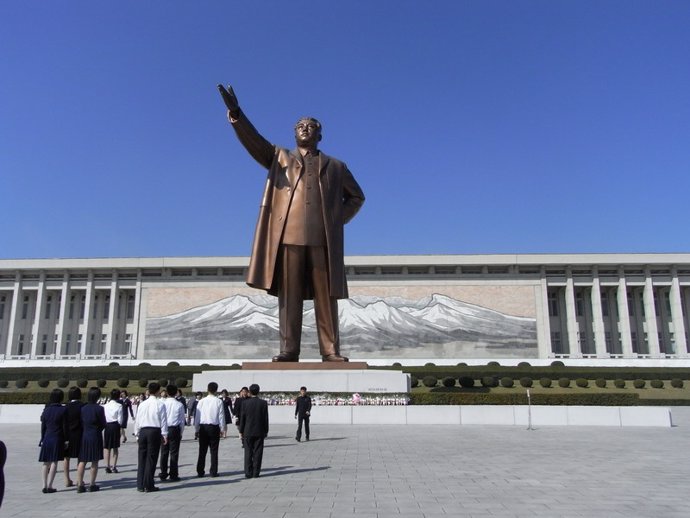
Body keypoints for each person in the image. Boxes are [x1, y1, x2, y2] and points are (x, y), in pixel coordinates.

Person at [218, 84, 365, 362]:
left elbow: (357, 197)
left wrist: (335, 221)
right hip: (288, 236)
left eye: (310, 126)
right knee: (290, 297)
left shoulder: (336, 166)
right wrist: (237, 114)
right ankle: (288, 349)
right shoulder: (279, 157)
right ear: (294, 132)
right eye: (300, 125)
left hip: (322, 238)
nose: (304, 128)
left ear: (320, 134)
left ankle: (330, 350)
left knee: (326, 297)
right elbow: (255, 141)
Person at [134, 382, 168, 493]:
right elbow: (163, 420)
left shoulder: (142, 404)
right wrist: (164, 434)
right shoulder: (160, 404)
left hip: (143, 431)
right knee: (151, 459)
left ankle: (140, 484)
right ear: (158, 391)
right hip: (154, 431)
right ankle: (148, 484)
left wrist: (137, 434)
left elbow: (137, 419)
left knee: (142, 458)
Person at [76, 387, 106, 493]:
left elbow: (80, 422)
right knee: (94, 461)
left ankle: (80, 484)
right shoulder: (99, 409)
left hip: (85, 435)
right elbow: (103, 423)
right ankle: (92, 484)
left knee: (82, 460)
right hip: (95, 435)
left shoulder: (83, 408)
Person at [193, 382, 226, 478]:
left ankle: (200, 471)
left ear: (207, 389)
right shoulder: (218, 401)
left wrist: (196, 428)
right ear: (216, 390)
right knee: (214, 451)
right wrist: (222, 428)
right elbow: (221, 416)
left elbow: (197, 417)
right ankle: (213, 471)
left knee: (202, 450)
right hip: (214, 427)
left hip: (203, 427)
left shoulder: (201, 401)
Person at [39, 388, 67, 493]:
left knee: (46, 462)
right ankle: (50, 485)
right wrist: (66, 440)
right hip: (57, 437)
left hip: (47, 437)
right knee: (54, 461)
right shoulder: (63, 410)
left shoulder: (46, 410)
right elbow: (65, 427)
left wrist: (42, 438)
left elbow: (43, 426)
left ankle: (44, 485)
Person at [239, 384, 269, 479]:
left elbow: (242, 418)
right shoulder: (263, 403)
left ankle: (248, 472)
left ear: (250, 392)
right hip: (259, 431)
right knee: (258, 452)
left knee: (248, 452)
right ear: (258, 391)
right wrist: (266, 430)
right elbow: (265, 418)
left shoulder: (245, 403)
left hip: (248, 431)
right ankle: (256, 472)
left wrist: (241, 430)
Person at [159, 384, 185, 482]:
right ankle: (173, 474)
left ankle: (163, 473)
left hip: (164, 429)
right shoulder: (179, 404)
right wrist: (181, 432)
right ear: (175, 393)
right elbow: (182, 420)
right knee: (174, 453)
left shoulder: (162, 403)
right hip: (174, 429)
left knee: (164, 452)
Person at [63, 386, 84, 488]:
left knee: (66, 458)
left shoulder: (66, 406)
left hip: (67, 435)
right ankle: (79, 480)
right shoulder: (82, 406)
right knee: (80, 458)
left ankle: (67, 479)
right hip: (79, 434)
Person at [103, 389, 123, 473]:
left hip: (107, 426)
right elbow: (120, 420)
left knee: (107, 447)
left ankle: (107, 466)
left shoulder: (105, 405)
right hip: (115, 426)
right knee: (115, 447)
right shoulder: (119, 406)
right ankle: (114, 466)